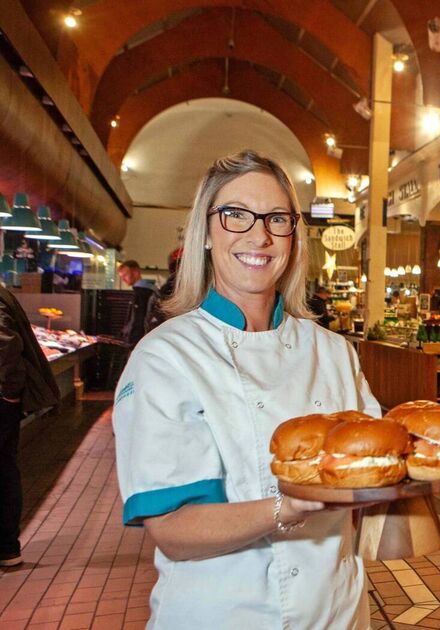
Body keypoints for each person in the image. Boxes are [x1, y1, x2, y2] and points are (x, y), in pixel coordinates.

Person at [112, 150, 381, 628]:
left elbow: (376, 478)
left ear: (294, 236)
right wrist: (292, 504)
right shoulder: (165, 357)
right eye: (236, 215)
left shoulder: (334, 351)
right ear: (207, 233)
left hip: (337, 613)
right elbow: (172, 530)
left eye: (277, 218)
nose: (260, 235)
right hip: (219, 615)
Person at [0, 285, 60, 567]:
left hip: (3, 400)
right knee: (6, 468)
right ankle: (8, 547)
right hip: (6, 400)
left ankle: (7, 545)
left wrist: (9, 392)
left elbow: (5, 344)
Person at [117, 260, 157, 347]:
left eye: (125, 275)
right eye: (121, 276)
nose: (123, 279)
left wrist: (132, 342)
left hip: (138, 342)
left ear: (136, 272)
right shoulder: (150, 290)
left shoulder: (142, 293)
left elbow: (138, 321)